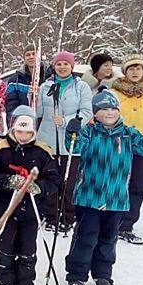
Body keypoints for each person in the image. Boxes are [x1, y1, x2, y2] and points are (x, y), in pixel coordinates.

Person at [64, 87, 143, 285]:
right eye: (104, 109)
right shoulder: (89, 132)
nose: (110, 113)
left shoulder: (128, 134)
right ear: (95, 113)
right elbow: (75, 146)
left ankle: (103, 275)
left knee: (108, 240)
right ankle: (77, 275)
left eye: (113, 109)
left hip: (117, 198)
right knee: (86, 237)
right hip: (89, 196)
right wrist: (72, 132)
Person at [0, 106, 62, 285]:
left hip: (31, 210)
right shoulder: (0, 147)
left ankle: (26, 284)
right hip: (6, 208)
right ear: (12, 128)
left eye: (28, 132)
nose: (23, 136)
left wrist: (38, 187)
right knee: (6, 245)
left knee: (28, 247)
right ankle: (5, 281)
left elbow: (54, 179)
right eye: (19, 131)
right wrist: (8, 181)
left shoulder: (42, 150)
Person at [36, 50, 93, 232]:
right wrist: (32, 97)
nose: (62, 67)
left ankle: (68, 216)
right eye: (58, 64)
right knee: (51, 180)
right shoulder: (45, 86)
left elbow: (87, 111)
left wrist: (68, 120)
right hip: (48, 141)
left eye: (65, 64)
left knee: (69, 182)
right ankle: (51, 216)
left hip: (72, 141)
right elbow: (37, 113)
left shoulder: (81, 87)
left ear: (71, 66)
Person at [111, 54, 143, 245]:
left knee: (137, 187)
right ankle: (111, 223)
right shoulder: (114, 92)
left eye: (138, 68)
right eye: (131, 68)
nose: (135, 72)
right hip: (118, 145)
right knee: (116, 185)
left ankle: (127, 226)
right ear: (125, 72)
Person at [5, 44, 53, 118]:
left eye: (34, 54)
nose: (31, 57)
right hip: (25, 121)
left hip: (46, 121)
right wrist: (14, 123)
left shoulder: (49, 77)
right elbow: (11, 106)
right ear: (24, 58)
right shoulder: (15, 81)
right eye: (28, 55)